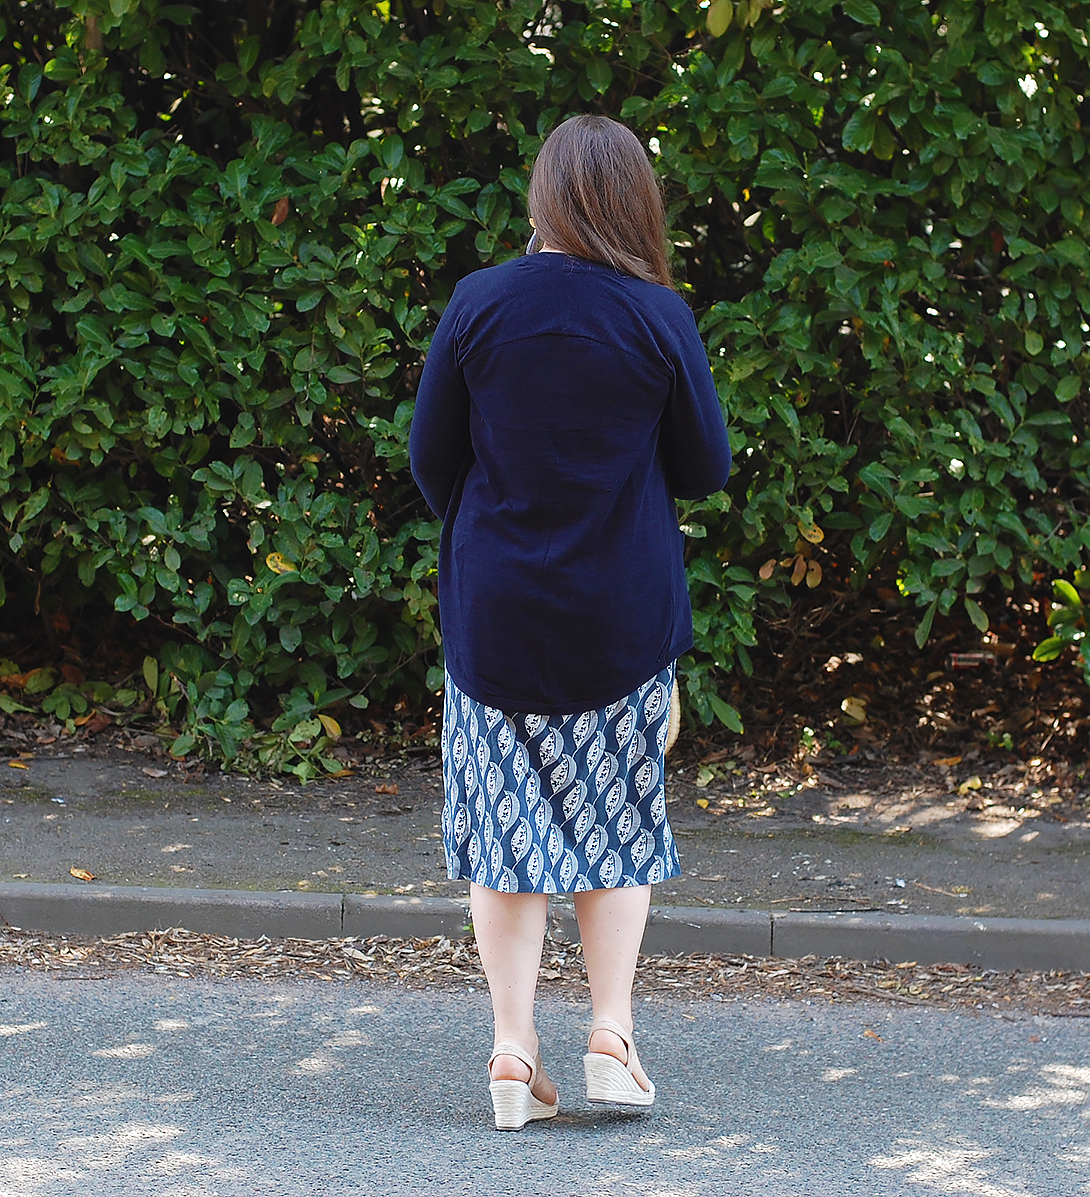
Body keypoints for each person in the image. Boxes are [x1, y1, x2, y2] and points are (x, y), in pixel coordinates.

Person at [408, 113, 733, 1131]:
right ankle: (609, 1036)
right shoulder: (657, 315)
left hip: (496, 615)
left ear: (542, 199)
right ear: (636, 200)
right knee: (617, 824)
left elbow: (431, 460)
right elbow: (706, 468)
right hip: (619, 620)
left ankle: (513, 1055)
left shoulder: (478, 303)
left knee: (505, 835)